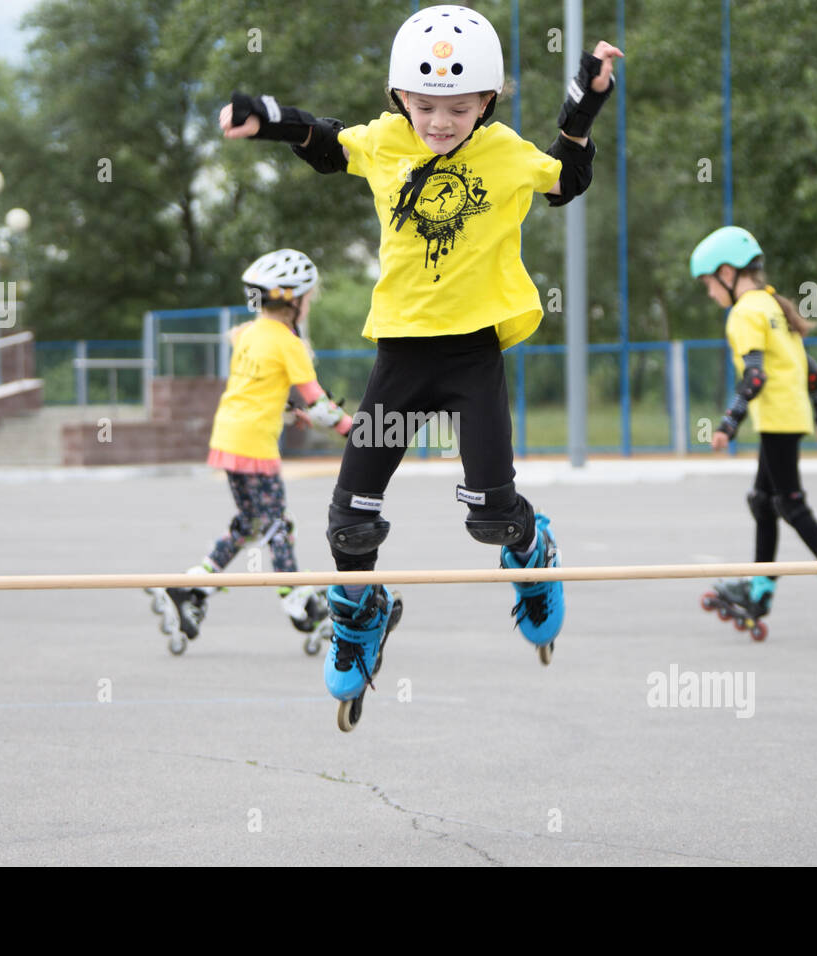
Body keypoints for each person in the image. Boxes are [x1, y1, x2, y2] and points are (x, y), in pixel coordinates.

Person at [220, 4, 622, 728]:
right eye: (426, 106)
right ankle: (361, 617)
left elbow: (566, 182)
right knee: (350, 521)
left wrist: (583, 105)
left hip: (472, 356)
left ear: (486, 103)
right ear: (400, 97)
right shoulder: (385, 141)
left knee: (492, 516)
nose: (440, 122)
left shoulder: (501, 152)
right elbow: (324, 142)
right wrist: (268, 118)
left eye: (459, 109)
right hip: (400, 357)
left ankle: (533, 551)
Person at [146, 249, 355, 655]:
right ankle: (298, 603)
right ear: (292, 299)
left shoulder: (248, 334)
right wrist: (354, 430)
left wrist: (291, 414)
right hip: (254, 445)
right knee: (278, 525)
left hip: (228, 437)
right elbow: (320, 405)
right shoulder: (288, 343)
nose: (310, 303)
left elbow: (256, 388)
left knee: (250, 523)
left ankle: (192, 587)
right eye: (308, 296)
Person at [689, 225, 817, 642]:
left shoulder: (745, 312)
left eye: (709, 283)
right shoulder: (772, 306)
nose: (709, 293)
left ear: (727, 273)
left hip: (777, 419)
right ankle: (760, 588)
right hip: (789, 416)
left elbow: (755, 376)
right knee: (763, 501)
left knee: (789, 504)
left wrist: (728, 423)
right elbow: (810, 370)